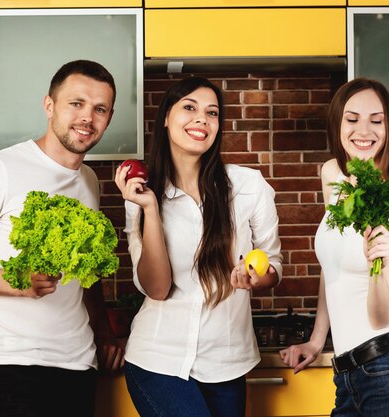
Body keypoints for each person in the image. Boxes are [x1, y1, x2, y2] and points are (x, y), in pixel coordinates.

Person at [0, 59, 125, 417]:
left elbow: (85, 273)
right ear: (49, 106)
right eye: (76, 103)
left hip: (78, 365)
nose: (87, 118)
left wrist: (104, 332)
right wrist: (18, 282)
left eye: (100, 109)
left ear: (108, 118)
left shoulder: (89, 181)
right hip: (12, 370)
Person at [114, 76, 283, 417]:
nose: (201, 119)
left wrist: (256, 279)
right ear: (165, 118)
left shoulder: (248, 186)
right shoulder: (142, 192)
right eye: (189, 107)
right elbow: (157, 288)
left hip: (228, 363)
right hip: (157, 360)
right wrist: (149, 208)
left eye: (212, 113)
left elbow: (273, 263)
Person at [279, 78, 389, 416]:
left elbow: (381, 315)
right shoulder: (331, 175)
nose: (363, 130)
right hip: (348, 377)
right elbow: (332, 267)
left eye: (376, 120)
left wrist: (377, 265)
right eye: (352, 119)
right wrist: (315, 337)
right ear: (337, 124)